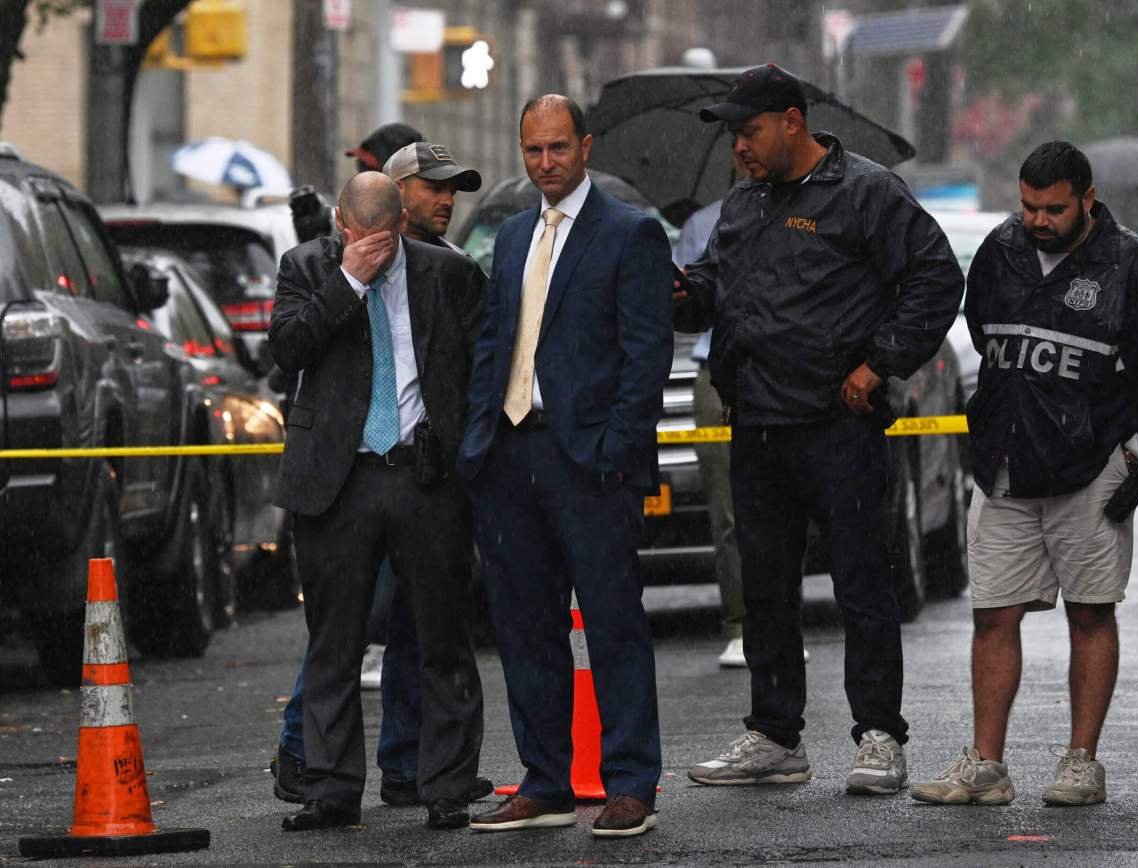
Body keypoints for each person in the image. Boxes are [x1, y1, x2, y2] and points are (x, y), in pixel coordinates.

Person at [674, 64, 963, 795]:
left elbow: (935, 279)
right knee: (766, 589)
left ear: (792, 122)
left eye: (750, 131)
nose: (740, 147)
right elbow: (715, 294)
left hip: (839, 425)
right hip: (759, 424)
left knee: (863, 585)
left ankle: (878, 738)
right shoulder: (743, 205)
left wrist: (880, 364)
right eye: (736, 135)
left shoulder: (865, 191)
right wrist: (681, 289)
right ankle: (775, 736)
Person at [912, 142, 1138, 807]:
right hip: (1005, 471)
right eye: (1029, 207)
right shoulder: (999, 252)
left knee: (1091, 615)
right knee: (992, 615)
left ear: (1087, 199)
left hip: (1091, 474)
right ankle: (986, 764)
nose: (1038, 220)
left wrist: (1127, 461)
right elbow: (985, 338)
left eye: (1054, 209)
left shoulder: (1134, 268)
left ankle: (1081, 762)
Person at [458, 95, 673, 838]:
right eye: (533, 151)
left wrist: (616, 448)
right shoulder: (513, 237)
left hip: (590, 463)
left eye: (557, 148)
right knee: (523, 626)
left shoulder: (630, 234)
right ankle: (545, 781)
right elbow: (494, 340)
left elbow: (647, 357)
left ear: (585, 147)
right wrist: (476, 442)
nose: (545, 163)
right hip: (509, 454)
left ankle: (631, 784)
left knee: (613, 625)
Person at [272, 125, 491, 815]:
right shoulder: (306, 266)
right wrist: (349, 281)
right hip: (340, 478)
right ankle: (330, 789)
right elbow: (289, 348)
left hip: (422, 474)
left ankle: (445, 787)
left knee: (441, 640)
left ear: (401, 223)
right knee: (334, 643)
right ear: (341, 225)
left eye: (383, 238)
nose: (372, 247)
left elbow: (478, 368)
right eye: (356, 236)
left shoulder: (447, 272)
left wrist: (464, 455)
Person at [674, 183, 810, 670]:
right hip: (717, 371)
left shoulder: (802, 213)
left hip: (778, 368)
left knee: (783, 506)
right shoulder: (703, 222)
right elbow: (689, 306)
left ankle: (784, 621)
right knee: (728, 511)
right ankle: (739, 624)